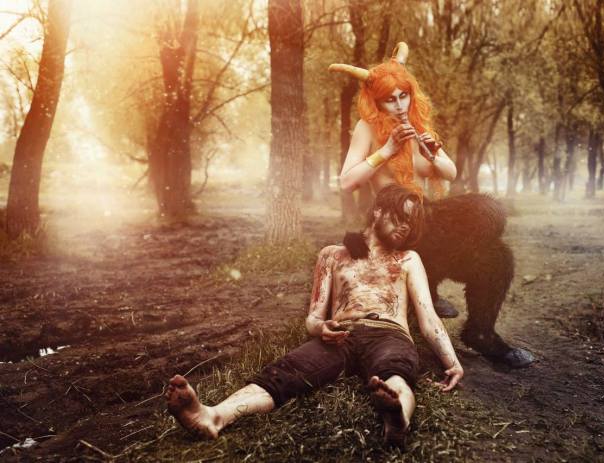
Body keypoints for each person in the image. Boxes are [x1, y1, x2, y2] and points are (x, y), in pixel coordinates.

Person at [166, 185, 464, 447]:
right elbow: (312, 318)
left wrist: (452, 362)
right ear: (378, 211)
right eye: (400, 216)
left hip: (389, 335)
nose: (405, 226)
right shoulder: (332, 255)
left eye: (411, 222)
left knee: (395, 373)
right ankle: (213, 416)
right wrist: (322, 328)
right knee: (282, 374)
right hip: (341, 336)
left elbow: (428, 317)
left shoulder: (408, 259)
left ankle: (398, 420)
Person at [329, 43, 534, 368]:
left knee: (498, 255)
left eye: (404, 96)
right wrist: (386, 150)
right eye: (390, 99)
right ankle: (431, 288)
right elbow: (346, 182)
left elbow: (450, 173)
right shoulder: (367, 129)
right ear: (376, 100)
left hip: (427, 225)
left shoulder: (417, 125)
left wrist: (433, 153)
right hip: (394, 224)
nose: (399, 105)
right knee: (477, 208)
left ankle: (480, 333)